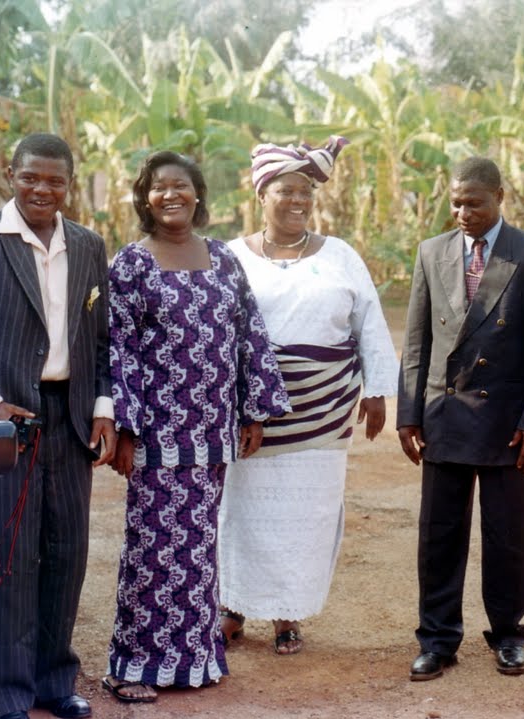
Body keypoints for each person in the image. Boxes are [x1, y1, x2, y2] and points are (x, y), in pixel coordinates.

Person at [102, 151, 289, 702]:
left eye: (179, 185)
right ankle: (134, 666)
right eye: (158, 188)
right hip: (157, 434)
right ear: (145, 197)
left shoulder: (223, 259)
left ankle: (192, 662)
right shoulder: (130, 265)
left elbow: (248, 332)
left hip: (211, 431)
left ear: (197, 193)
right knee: (152, 549)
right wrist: (128, 428)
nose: (170, 195)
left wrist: (253, 409)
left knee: (198, 548)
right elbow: (121, 350)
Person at [217, 139, 398, 655]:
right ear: (261, 195)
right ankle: (232, 606)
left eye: (305, 192)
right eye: (285, 191)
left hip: (324, 408)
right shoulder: (230, 257)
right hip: (252, 411)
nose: (297, 200)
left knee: (307, 514)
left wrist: (378, 390)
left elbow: (369, 321)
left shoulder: (340, 255)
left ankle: (287, 613)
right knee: (242, 509)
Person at [0, 133, 116, 719]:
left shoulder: (87, 244)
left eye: (55, 180)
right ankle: (5, 695)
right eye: (31, 177)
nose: (42, 189)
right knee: (8, 557)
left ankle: (55, 682)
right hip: (8, 421)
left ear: (69, 184)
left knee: (67, 551)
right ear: (10, 174)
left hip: (70, 419)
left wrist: (102, 411)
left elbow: (100, 342)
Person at [397, 156, 524, 680]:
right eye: (456, 201)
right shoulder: (432, 252)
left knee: (508, 536)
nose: (463, 211)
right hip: (444, 414)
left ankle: (509, 635)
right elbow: (417, 341)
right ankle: (437, 638)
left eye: (474, 201)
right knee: (439, 535)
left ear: (500, 197)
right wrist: (409, 414)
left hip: (509, 423)